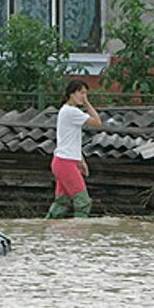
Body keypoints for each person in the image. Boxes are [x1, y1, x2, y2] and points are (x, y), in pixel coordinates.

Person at [46, 79, 102, 219]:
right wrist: (87, 104)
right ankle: (79, 234)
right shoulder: (71, 111)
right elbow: (97, 122)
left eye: (85, 94)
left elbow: (71, 141)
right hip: (65, 163)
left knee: (62, 203)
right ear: (72, 94)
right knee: (83, 202)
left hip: (63, 161)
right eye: (81, 93)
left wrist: (81, 161)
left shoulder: (66, 111)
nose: (83, 96)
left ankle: (49, 229)